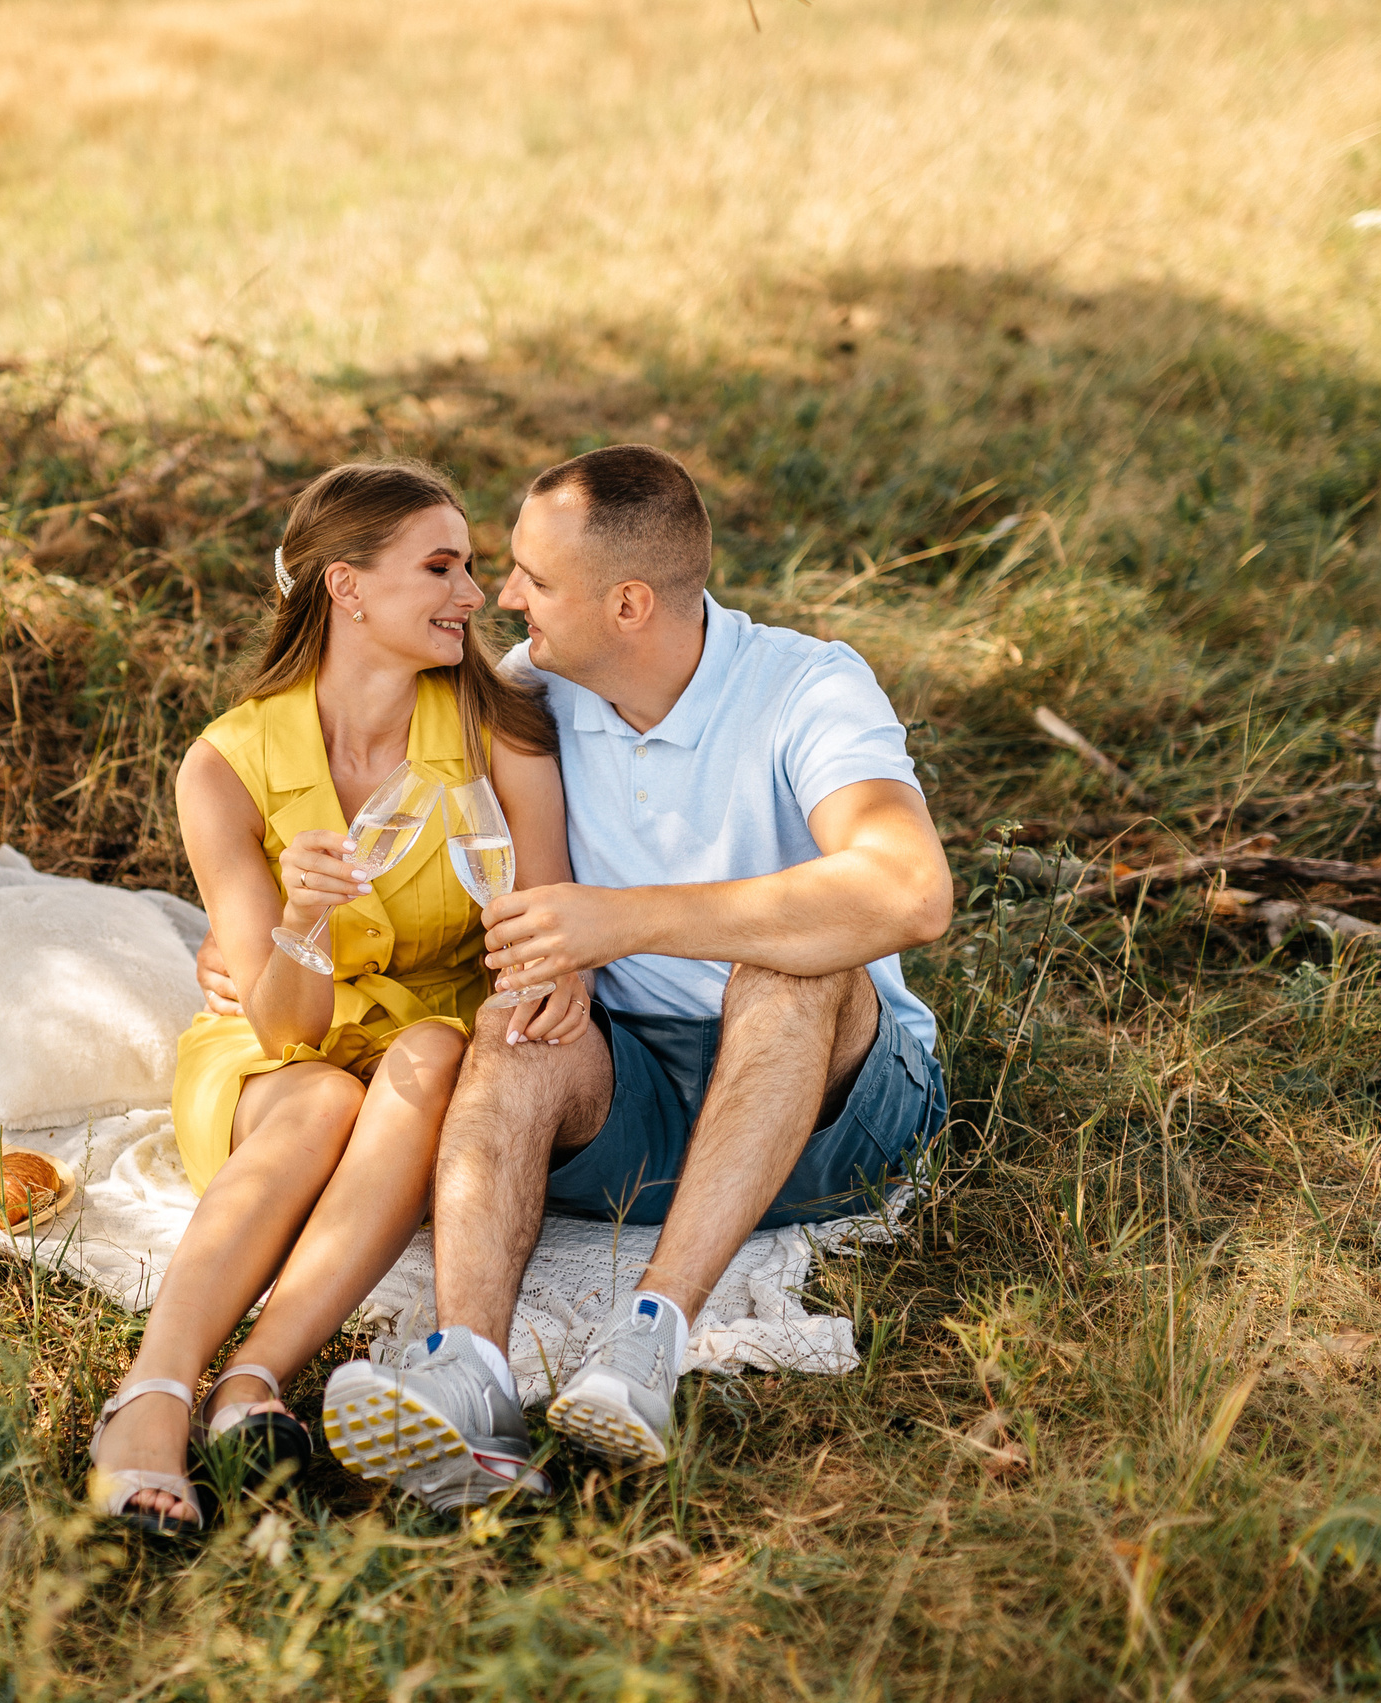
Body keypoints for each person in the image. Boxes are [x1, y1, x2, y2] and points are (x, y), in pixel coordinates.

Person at [280, 443, 954, 1510]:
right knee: (514, 1025)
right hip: (631, 1090)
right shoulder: (528, 695)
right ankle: (469, 1373)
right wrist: (268, 929)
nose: (503, 597)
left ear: (629, 603)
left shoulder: (806, 686)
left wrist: (620, 920)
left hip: (835, 1112)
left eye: (535, 579)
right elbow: (377, 793)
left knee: (788, 969)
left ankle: (646, 1343)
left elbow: (909, 891)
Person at [89, 460, 589, 1535]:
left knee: (429, 1056)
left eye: (470, 567)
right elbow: (283, 1028)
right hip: (277, 1046)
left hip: (433, 1037)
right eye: (441, 567)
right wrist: (303, 923)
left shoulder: (496, 726)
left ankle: (253, 1378)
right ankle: (150, 1396)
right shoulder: (223, 766)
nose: (473, 594)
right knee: (319, 1095)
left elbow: (544, 925)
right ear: (345, 586)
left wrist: (551, 989)